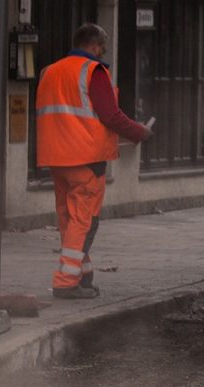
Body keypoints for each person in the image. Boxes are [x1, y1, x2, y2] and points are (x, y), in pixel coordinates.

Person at [35, 23, 152, 300]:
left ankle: (82, 274)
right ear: (95, 45)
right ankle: (66, 282)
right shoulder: (93, 71)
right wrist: (139, 132)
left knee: (69, 219)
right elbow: (110, 115)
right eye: (102, 48)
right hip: (86, 158)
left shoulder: (50, 71)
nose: (103, 54)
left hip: (56, 157)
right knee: (84, 222)